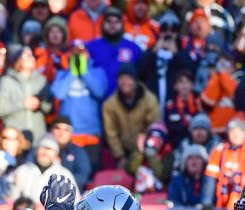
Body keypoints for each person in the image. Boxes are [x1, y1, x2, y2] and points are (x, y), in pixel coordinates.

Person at [50, 42, 108, 171]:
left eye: (82, 53)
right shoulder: (62, 74)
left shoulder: (97, 72)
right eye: (75, 53)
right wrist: (72, 73)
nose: (78, 56)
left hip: (91, 135)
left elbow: (100, 91)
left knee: (92, 177)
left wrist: (84, 72)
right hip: (69, 136)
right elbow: (58, 93)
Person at [101, 64, 161, 177]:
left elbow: (155, 126)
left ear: (135, 80)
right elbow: (111, 133)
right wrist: (120, 156)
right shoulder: (110, 105)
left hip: (146, 149)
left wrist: (146, 148)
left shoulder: (149, 100)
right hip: (122, 151)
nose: (125, 82)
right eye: (121, 78)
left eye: (128, 78)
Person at [0, 46, 54, 144]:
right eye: (26, 56)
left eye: (32, 55)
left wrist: (40, 105)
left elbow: (50, 108)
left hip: (38, 137)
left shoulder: (41, 80)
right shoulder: (7, 81)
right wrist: (22, 104)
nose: (31, 58)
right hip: (15, 139)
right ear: (17, 60)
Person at [204, 117, 245, 210]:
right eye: (233, 131)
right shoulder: (219, 149)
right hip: (221, 202)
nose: (236, 135)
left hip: (244, 204)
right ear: (228, 133)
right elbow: (210, 178)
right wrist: (206, 202)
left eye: (240, 131)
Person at [86, 7, 143, 98]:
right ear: (102, 24)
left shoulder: (133, 48)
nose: (112, 25)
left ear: (122, 25)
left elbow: (141, 76)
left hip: (126, 101)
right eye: (109, 21)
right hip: (98, 101)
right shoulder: (91, 47)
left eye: (116, 22)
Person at [8, 135, 77, 205]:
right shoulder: (22, 170)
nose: (44, 152)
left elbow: (75, 202)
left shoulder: (64, 174)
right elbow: (11, 200)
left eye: (48, 149)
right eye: (42, 148)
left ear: (56, 153)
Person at [49, 116, 94, 190]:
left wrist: (62, 185)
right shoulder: (43, 148)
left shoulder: (77, 151)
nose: (61, 132)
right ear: (51, 130)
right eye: (58, 128)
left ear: (71, 133)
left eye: (66, 129)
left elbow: (83, 174)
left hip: (70, 192)